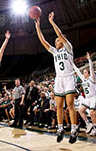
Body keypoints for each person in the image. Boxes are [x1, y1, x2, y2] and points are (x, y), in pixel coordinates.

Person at [35, 12, 78, 144]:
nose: (56, 41)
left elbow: (59, 34)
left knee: (70, 105)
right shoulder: (54, 51)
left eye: (58, 40)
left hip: (69, 78)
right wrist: (38, 27)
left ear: (63, 41)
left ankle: (74, 129)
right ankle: (60, 129)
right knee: (58, 106)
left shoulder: (68, 48)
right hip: (59, 79)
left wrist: (52, 22)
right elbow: (43, 41)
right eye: (55, 41)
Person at [74, 52, 96, 136]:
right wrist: (72, 64)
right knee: (80, 110)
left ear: (88, 73)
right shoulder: (83, 79)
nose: (84, 73)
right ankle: (88, 124)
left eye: (85, 72)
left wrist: (89, 59)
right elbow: (78, 71)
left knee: (92, 112)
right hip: (88, 98)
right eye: (84, 72)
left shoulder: (92, 78)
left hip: (94, 97)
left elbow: (91, 68)